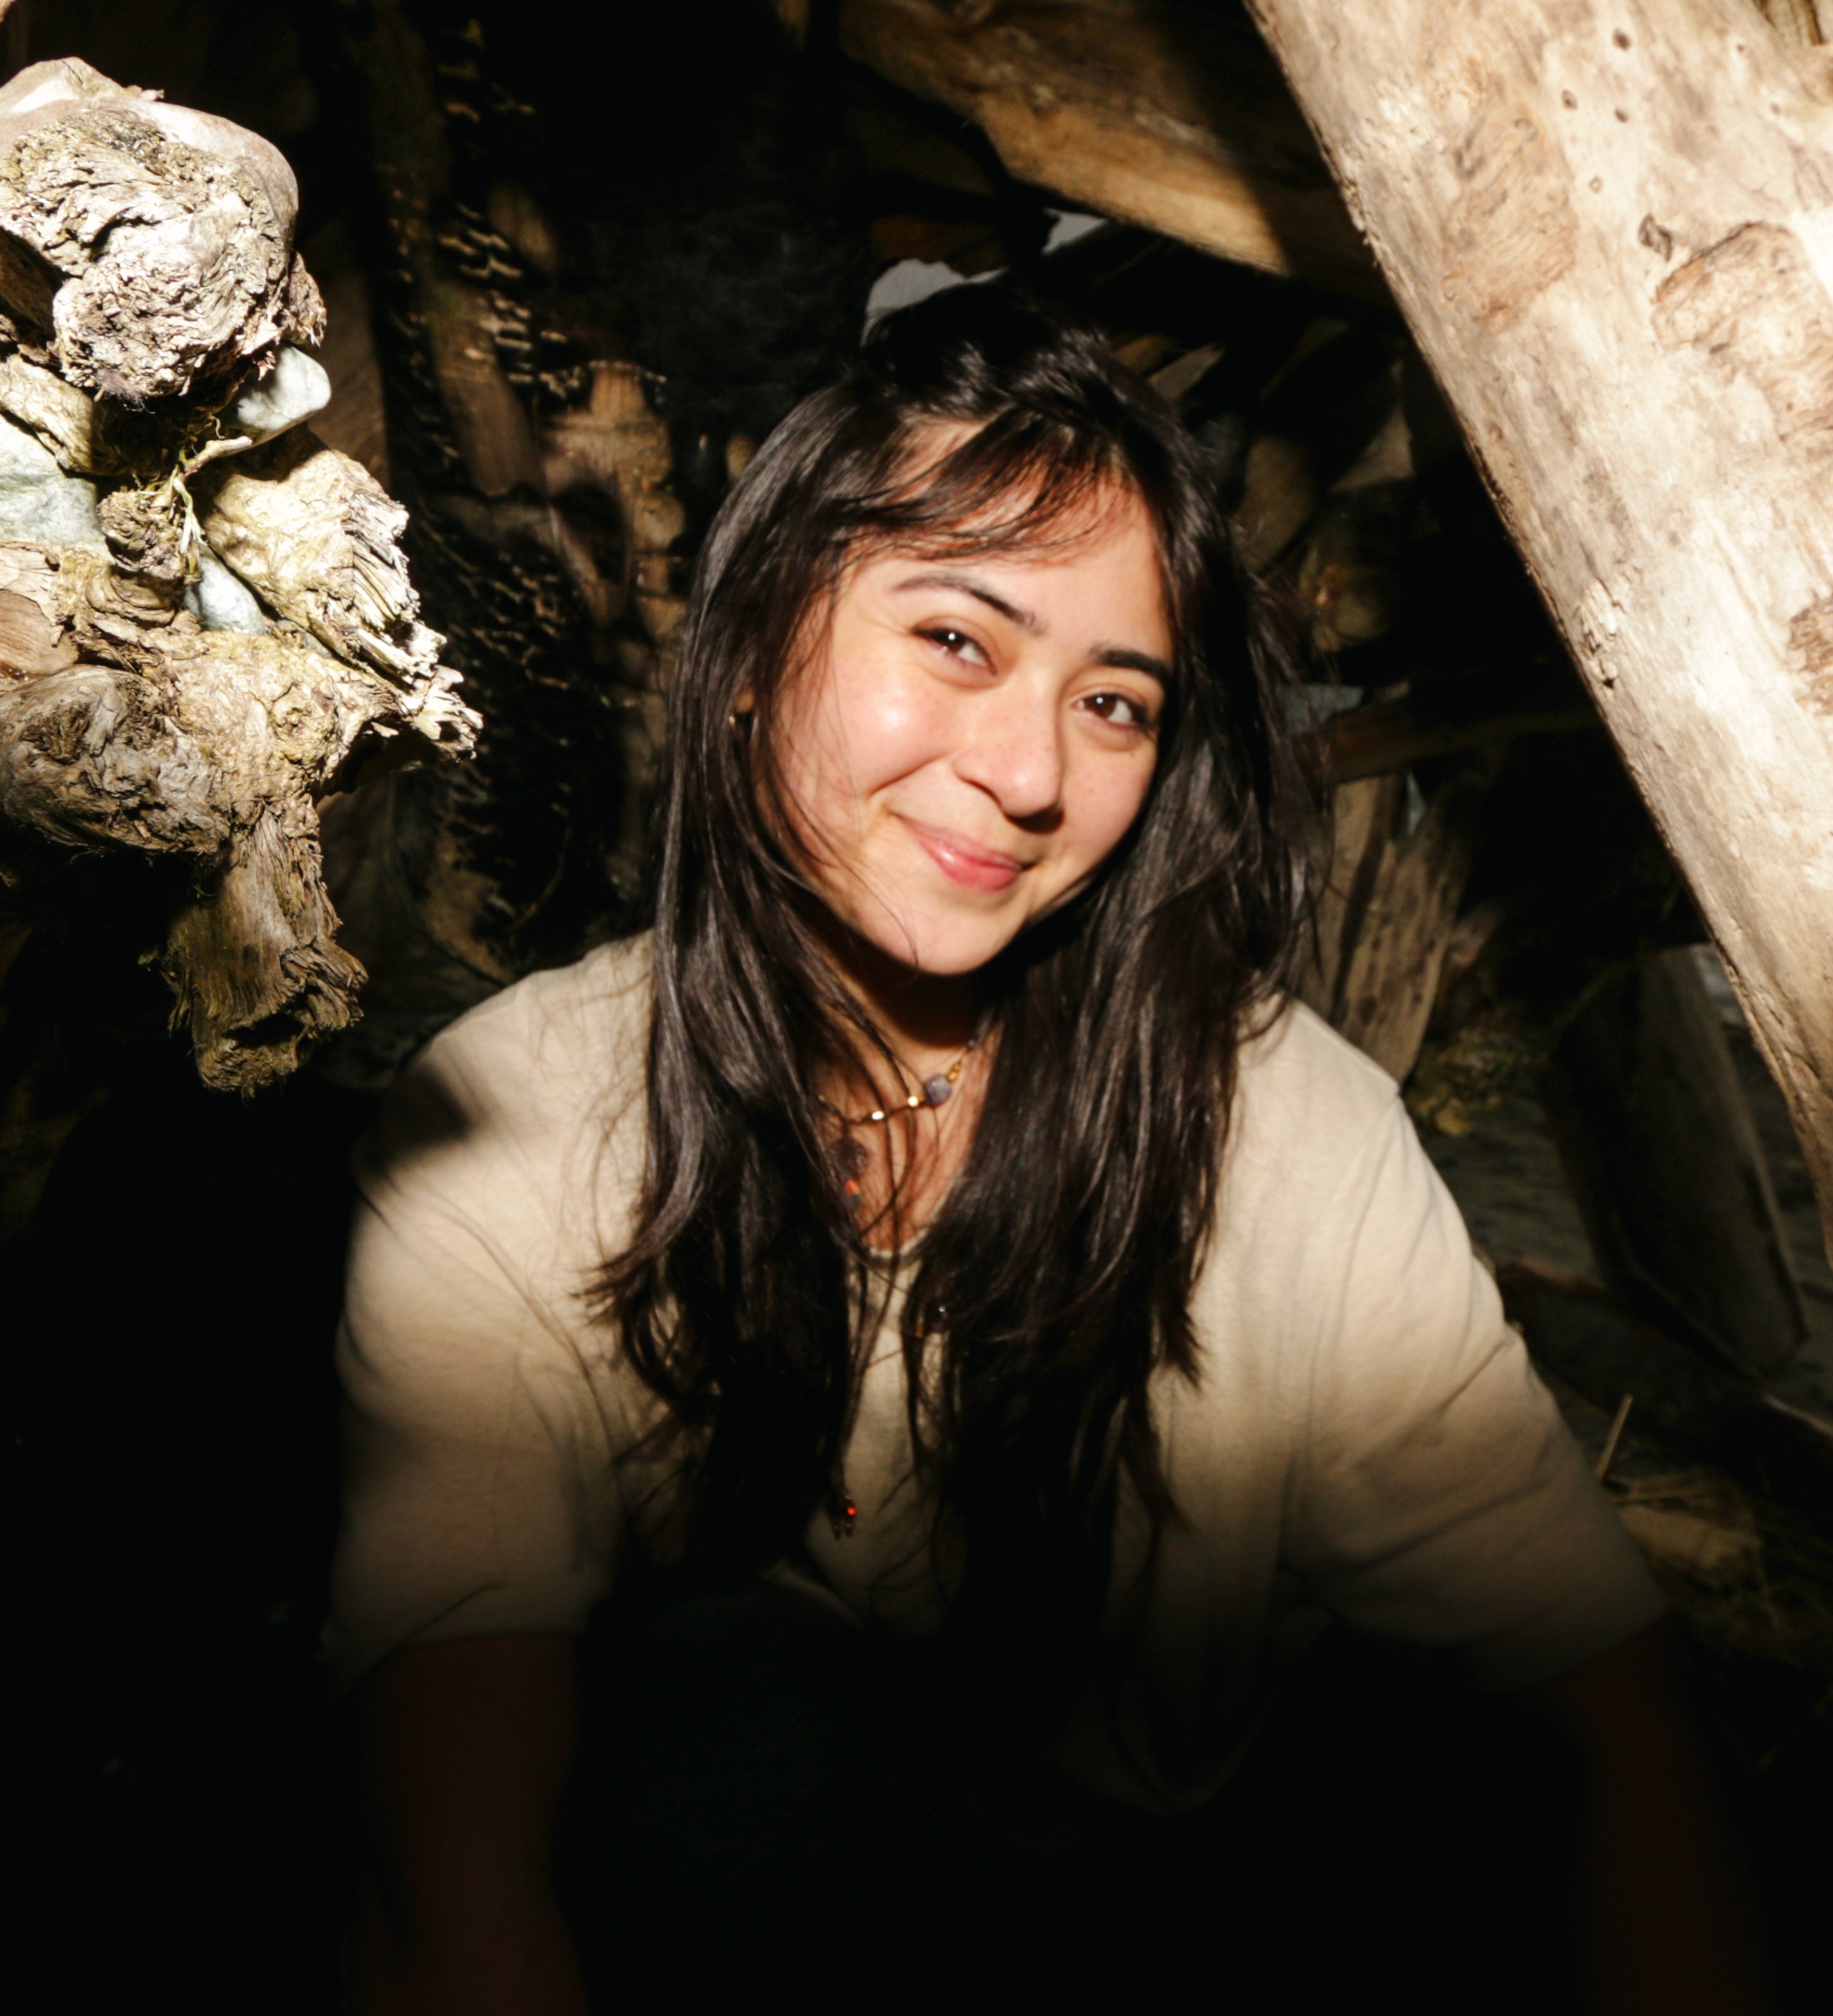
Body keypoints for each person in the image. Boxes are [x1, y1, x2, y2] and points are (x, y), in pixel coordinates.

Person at [332, 288, 1761, 2012]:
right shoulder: (511, 1132)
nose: (1028, 772)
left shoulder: (1281, 1124)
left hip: (1177, 1930)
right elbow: (457, 1878)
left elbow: (1611, 1720)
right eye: (957, 638)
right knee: (733, 1712)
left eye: (1116, 704)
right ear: (757, 643)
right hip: (742, 1907)